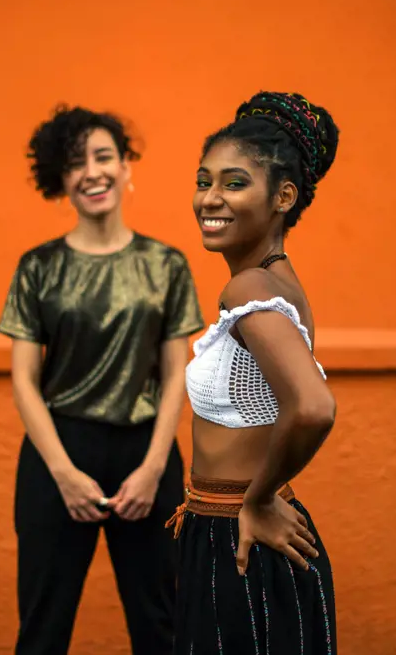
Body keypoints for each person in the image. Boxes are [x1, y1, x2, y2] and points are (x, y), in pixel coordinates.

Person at [0, 105, 204, 655]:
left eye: (104, 156)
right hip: (57, 454)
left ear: (126, 167)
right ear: (59, 179)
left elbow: (175, 371)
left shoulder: (167, 265)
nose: (92, 171)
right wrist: (63, 474)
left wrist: (154, 469)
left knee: (161, 626)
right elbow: (23, 381)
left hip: (147, 454)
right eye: (75, 162)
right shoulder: (37, 267)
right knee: (42, 628)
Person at [167, 91, 339, 654]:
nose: (209, 198)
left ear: (283, 196)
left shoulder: (250, 288)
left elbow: (313, 406)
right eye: (203, 180)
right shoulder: (278, 282)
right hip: (231, 528)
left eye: (234, 183)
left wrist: (258, 501)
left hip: (239, 536)